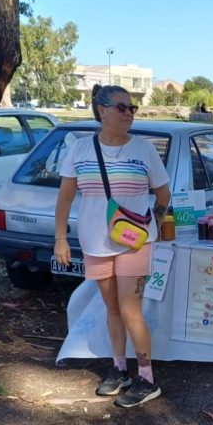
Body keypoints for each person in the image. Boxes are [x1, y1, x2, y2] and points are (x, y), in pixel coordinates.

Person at [54, 85, 172, 408]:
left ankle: (147, 378)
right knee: (113, 309)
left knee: (131, 309)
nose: (129, 113)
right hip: (95, 243)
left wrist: (153, 227)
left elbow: (163, 197)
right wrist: (60, 238)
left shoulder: (144, 150)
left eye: (132, 108)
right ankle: (120, 368)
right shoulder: (79, 150)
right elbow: (64, 198)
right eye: (121, 107)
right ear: (101, 110)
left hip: (134, 244)